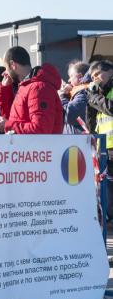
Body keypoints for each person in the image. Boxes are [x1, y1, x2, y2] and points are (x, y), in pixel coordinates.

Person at [0, 46, 63, 134]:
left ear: (13, 65)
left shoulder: (38, 88)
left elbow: (40, 129)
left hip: (38, 147)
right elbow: (14, 118)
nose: (4, 73)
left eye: (6, 68)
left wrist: (7, 125)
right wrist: (4, 89)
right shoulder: (26, 86)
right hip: (27, 147)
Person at [86, 60, 113, 222]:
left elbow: (110, 108)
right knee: (108, 190)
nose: (95, 79)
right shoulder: (100, 95)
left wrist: (94, 98)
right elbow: (91, 125)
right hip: (106, 149)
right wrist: (90, 102)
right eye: (92, 77)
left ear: (109, 71)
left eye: (98, 74)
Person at [58, 60, 90, 133]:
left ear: (80, 76)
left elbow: (70, 115)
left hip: (80, 141)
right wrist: (67, 95)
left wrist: (62, 96)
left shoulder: (83, 92)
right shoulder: (80, 92)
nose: (69, 80)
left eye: (71, 76)